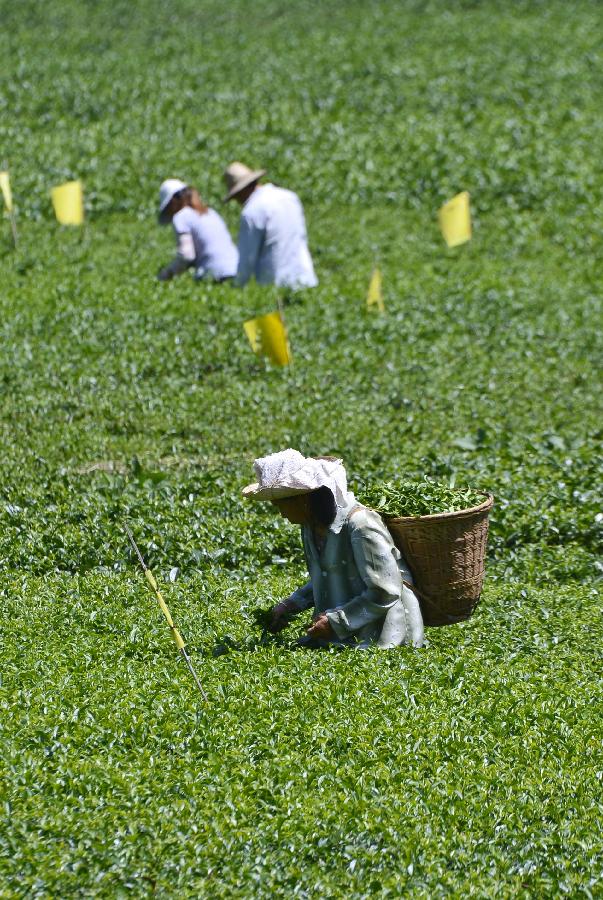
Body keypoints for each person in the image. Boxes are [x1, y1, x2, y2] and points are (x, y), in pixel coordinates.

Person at [242, 449, 424, 649]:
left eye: (280, 506)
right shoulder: (309, 526)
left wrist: (337, 622)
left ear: (302, 500)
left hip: (386, 640)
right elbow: (330, 575)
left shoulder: (361, 525)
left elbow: (385, 590)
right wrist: (291, 605)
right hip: (339, 638)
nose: (281, 514)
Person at [223, 162, 318, 290]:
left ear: (241, 191)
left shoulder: (252, 211)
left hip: (277, 285)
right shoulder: (289, 196)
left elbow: (247, 259)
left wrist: (237, 287)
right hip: (305, 277)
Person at [157, 179, 238, 283]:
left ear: (173, 202)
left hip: (216, 275)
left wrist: (167, 274)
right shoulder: (210, 212)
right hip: (237, 270)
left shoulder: (181, 216)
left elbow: (186, 256)